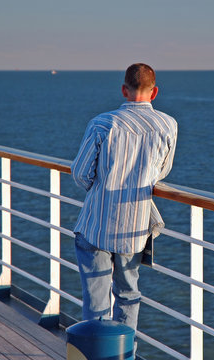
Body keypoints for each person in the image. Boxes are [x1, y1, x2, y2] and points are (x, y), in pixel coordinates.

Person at [71, 63, 177, 336]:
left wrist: (104, 186)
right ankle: (123, 353)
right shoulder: (168, 125)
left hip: (96, 224)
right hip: (135, 227)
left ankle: (94, 353)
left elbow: (81, 175)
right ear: (154, 93)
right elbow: (161, 172)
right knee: (129, 294)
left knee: (96, 301)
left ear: (123, 90)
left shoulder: (102, 123)